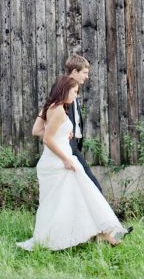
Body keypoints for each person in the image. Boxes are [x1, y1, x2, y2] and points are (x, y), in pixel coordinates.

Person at [17, 76, 130, 251]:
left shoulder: (49, 107)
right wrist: (65, 159)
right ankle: (99, 233)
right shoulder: (60, 110)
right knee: (82, 194)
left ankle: (99, 233)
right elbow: (47, 138)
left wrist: (62, 134)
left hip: (52, 162)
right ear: (65, 89)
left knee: (64, 200)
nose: (76, 96)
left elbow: (38, 130)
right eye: (74, 92)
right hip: (59, 162)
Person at [32, 54, 102, 192]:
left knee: (77, 188)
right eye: (85, 73)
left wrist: (65, 132)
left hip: (71, 144)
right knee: (92, 186)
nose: (87, 76)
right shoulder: (63, 90)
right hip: (66, 148)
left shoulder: (72, 90)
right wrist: (61, 140)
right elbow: (49, 111)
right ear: (75, 72)